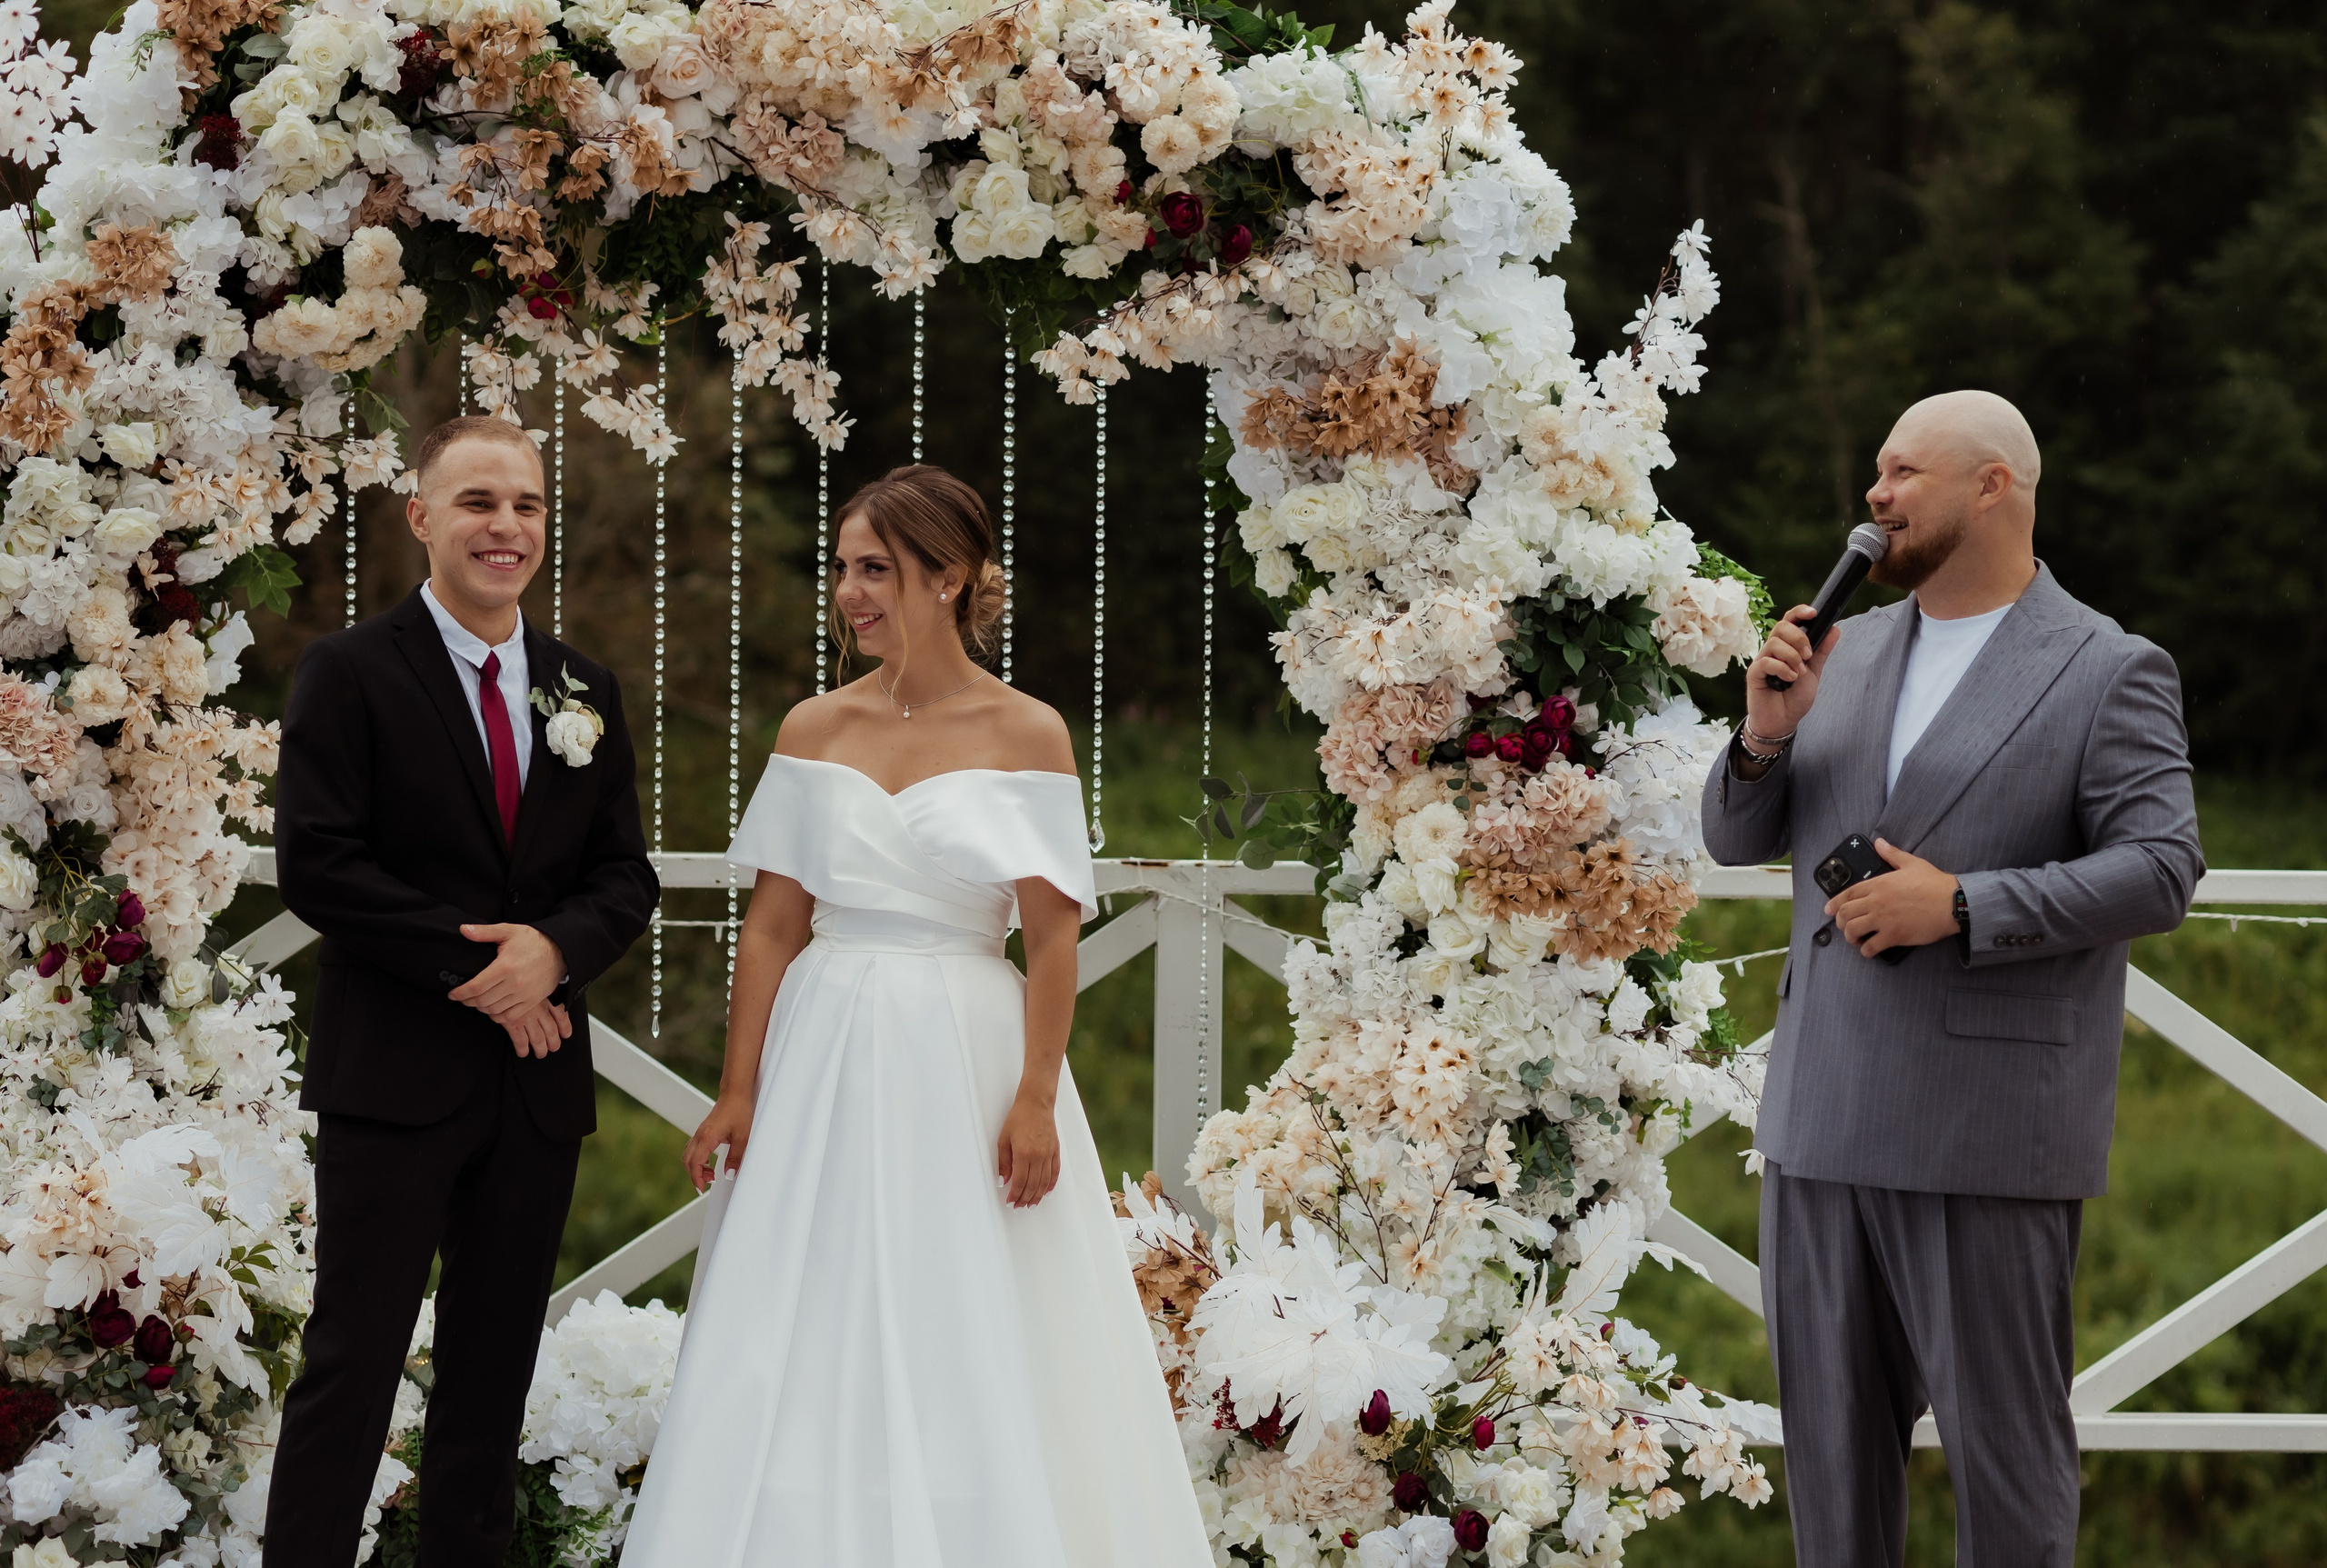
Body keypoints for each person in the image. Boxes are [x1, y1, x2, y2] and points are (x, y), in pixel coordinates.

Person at [621, 464, 1209, 1567]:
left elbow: (1049, 938)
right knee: (809, 1303)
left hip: (966, 1051)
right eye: (843, 569)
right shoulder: (813, 725)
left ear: (949, 580)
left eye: (876, 571)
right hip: (826, 1044)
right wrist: (738, 1088)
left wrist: (1036, 1095)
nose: (851, 592)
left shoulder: (1027, 731)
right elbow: (772, 928)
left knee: (970, 1304)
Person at [1702, 391, 2204, 1566]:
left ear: (1995, 485)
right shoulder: (1845, 649)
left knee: (2011, 1491)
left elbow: (2163, 867)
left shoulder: (2108, 666)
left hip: (1985, 1139)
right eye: (1875, 475)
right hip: (1818, 1126)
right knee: (1832, 1503)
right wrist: (1765, 733)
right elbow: (1735, 840)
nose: (1875, 498)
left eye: (1903, 472)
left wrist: (1967, 905)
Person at [266, 416, 659, 1563]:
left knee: (491, 1384)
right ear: (421, 517)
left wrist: (556, 953)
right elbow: (320, 865)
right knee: (352, 1367)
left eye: (527, 505)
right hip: (392, 1078)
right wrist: (490, 968)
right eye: (478, 502)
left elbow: (623, 872)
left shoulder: (584, 685)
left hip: (534, 1086)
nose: (506, 526)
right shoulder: (347, 671)